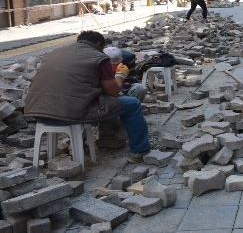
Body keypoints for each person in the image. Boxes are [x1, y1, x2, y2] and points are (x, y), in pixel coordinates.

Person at [24, 31, 151, 163]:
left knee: (79, 100)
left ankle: (80, 142)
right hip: (68, 115)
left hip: (38, 112)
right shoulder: (99, 57)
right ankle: (139, 150)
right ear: (98, 44)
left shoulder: (53, 54)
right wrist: (120, 76)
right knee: (132, 104)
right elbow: (113, 91)